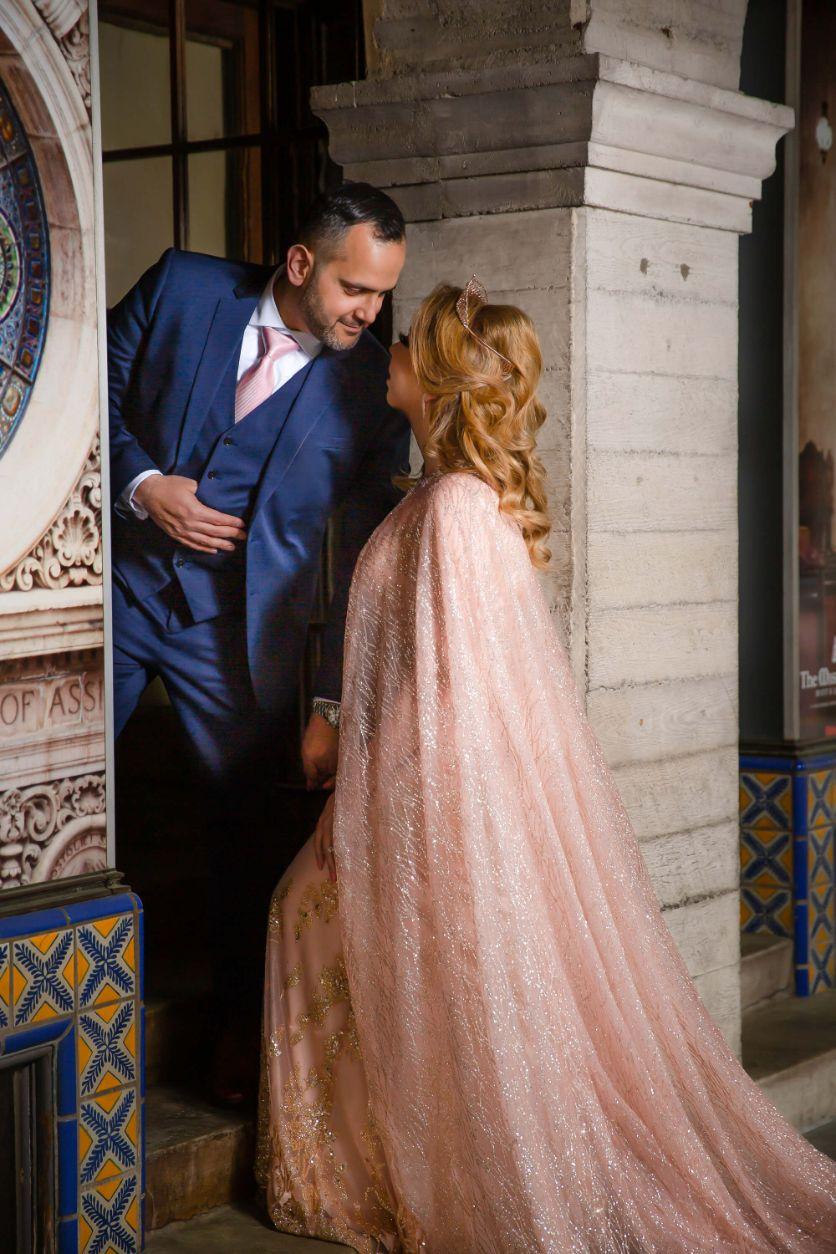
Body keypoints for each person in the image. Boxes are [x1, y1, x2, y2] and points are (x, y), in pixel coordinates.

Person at [258, 278, 836, 1252]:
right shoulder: (442, 497)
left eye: (407, 343)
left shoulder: (452, 507)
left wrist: (357, 803)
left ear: (439, 377)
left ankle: (373, 1171)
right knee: (318, 928)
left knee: (302, 915)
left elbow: (447, 691)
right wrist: (337, 728)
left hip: (423, 796)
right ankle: (382, 1160)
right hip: (412, 783)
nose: (389, 353)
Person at [107, 183, 409, 1101]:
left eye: (383, 294)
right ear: (301, 263)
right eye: (356, 287)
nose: (370, 311)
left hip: (236, 633)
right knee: (39, 786)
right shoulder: (181, 288)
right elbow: (79, 390)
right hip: (113, 594)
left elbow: (358, 564)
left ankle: (243, 1034)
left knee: (249, 833)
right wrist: (142, 485)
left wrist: (329, 699)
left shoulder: (373, 388)